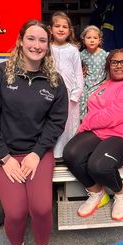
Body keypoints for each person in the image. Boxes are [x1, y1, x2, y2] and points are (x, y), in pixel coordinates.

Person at [0, 20, 68, 245]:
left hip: (36, 154)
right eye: (31, 39)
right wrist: (5, 158)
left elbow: (56, 121)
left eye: (42, 40)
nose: (36, 45)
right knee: (16, 211)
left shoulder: (54, 81)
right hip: (1, 154)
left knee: (40, 208)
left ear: (48, 46)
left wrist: (37, 153)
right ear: (20, 41)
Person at [63, 48, 123, 221]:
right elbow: (95, 109)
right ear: (109, 65)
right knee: (71, 154)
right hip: (100, 131)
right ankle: (97, 193)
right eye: (114, 62)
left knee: (99, 166)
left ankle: (121, 193)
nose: (119, 66)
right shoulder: (104, 85)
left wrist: (86, 124)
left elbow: (112, 116)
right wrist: (93, 120)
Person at [50, 11, 83, 159]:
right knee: (52, 121)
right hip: (51, 93)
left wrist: (75, 95)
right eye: (57, 26)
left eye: (65, 26)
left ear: (70, 31)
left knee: (68, 124)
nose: (61, 29)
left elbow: (78, 75)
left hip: (70, 95)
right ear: (51, 29)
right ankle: (52, 153)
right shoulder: (47, 48)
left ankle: (67, 153)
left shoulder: (73, 50)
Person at [79, 25, 108, 120]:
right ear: (83, 40)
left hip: (99, 82)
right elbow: (77, 68)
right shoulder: (82, 54)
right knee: (81, 96)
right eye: (89, 38)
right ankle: (83, 120)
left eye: (95, 38)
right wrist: (81, 73)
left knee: (95, 100)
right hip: (86, 82)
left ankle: (94, 120)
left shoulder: (104, 54)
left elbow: (109, 69)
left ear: (99, 40)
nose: (92, 40)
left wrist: (107, 80)